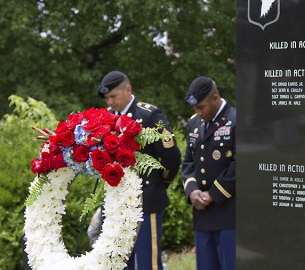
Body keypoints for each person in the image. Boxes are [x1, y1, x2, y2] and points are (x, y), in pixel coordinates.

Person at [97, 70, 182, 270]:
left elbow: (171, 155)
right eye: (106, 98)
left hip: (146, 199)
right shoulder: (107, 119)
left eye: (113, 96)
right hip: (118, 203)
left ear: (128, 89)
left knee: (148, 263)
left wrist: (161, 183)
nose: (109, 102)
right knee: (120, 262)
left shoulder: (148, 115)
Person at [182, 76, 236, 270]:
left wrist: (213, 194)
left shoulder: (235, 121)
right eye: (195, 109)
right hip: (202, 213)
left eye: (201, 107)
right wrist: (192, 191)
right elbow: (188, 162)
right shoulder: (195, 123)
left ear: (215, 98)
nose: (198, 112)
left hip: (228, 212)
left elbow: (239, 165)